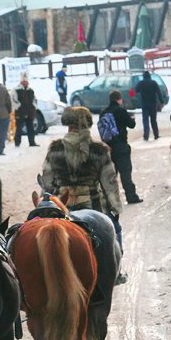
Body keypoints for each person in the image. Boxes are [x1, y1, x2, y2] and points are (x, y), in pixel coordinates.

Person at [42, 106, 124, 250]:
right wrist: (115, 208)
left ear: (68, 125)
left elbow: (47, 183)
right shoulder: (99, 150)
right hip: (93, 206)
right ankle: (117, 270)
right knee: (115, 230)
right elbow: (110, 184)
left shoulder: (55, 149)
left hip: (62, 207)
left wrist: (44, 205)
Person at [101, 90, 142, 204]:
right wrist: (132, 119)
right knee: (125, 173)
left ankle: (110, 200)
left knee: (110, 176)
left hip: (107, 148)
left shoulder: (104, 112)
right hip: (121, 146)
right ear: (119, 99)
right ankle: (131, 196)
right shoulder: (121, 111)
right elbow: (131, 125)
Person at [135, 71, 163, 141]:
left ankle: (146, 136)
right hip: (153, 104)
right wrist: (162, 101)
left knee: (145, 120)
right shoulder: (154, 83)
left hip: (144, 104)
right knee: (153, 120)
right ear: (149, 76)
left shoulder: (141, 83)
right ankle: (156, 135)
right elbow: (159, 93)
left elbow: (136, 90)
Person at [12, 74, 38, 147]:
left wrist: (34, 107)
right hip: (20, 112)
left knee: (31, 128)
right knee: (19, 129)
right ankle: (17, 143)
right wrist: (18, 106)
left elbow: (34, 99)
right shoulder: (16, 90)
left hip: (29, 112)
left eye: (26, 81)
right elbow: (13, 100)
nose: (25, 83)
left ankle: (32, 142)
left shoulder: (31, 90)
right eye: (23, 81)